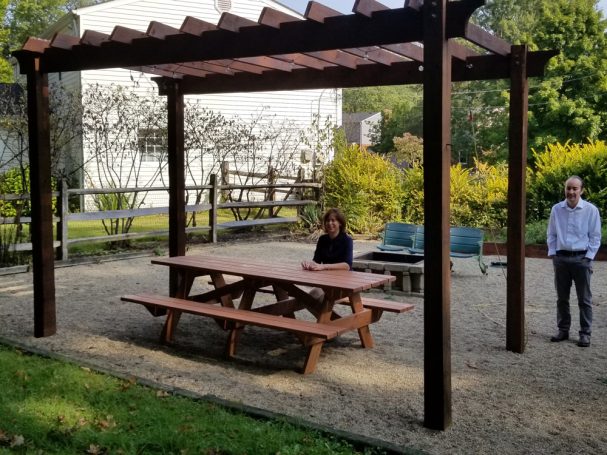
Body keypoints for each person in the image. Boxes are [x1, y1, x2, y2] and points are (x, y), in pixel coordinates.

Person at [547, 175, 601, 347]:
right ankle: (563, 330)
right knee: (562, 298)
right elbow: (552, 233)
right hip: (561, 259)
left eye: (574, 188)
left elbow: (595, 236)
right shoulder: (556, 209)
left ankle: (585, 333)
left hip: (581, 259)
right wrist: (554, 254)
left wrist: (588, 258)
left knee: (584, 299)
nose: (571, 192)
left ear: (581, 190)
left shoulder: (591, 210)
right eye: (568, 188)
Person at [301, 207, 353, 272]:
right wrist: (308, 264)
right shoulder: (322, 239)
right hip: (326, 276)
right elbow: (316, 261)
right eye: (328, 220)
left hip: (343, 277)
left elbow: (347, 266)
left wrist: (323, 266)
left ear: (340, 223)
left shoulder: (347, 240)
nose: (330, 223)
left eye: (333, 220)